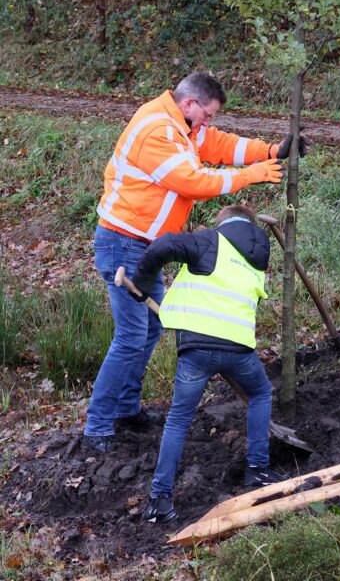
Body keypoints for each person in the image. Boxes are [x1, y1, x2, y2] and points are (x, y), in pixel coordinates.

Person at [84, 71, 306, 452]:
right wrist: (249, 177)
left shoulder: (182, 124)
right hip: (123, 244)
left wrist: (270, 151)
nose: (209, 122)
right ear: (190, 104)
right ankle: (98, 426)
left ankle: (125, 408)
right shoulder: (159, 131)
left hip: (144, 243)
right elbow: (192, 181)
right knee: (131, 337)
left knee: (151, 329)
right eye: (207, 114)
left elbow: (221, 145)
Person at [128, 203, 282, 526]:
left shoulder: (208, 240)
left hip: (197, 349)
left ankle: (159, 500)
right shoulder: (260, 251)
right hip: (238, 346)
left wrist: (141, 282)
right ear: (250, 225)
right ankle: (257, 470)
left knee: (179, 419)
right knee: (261, 393)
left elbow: (163, 246)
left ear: (222, 222)